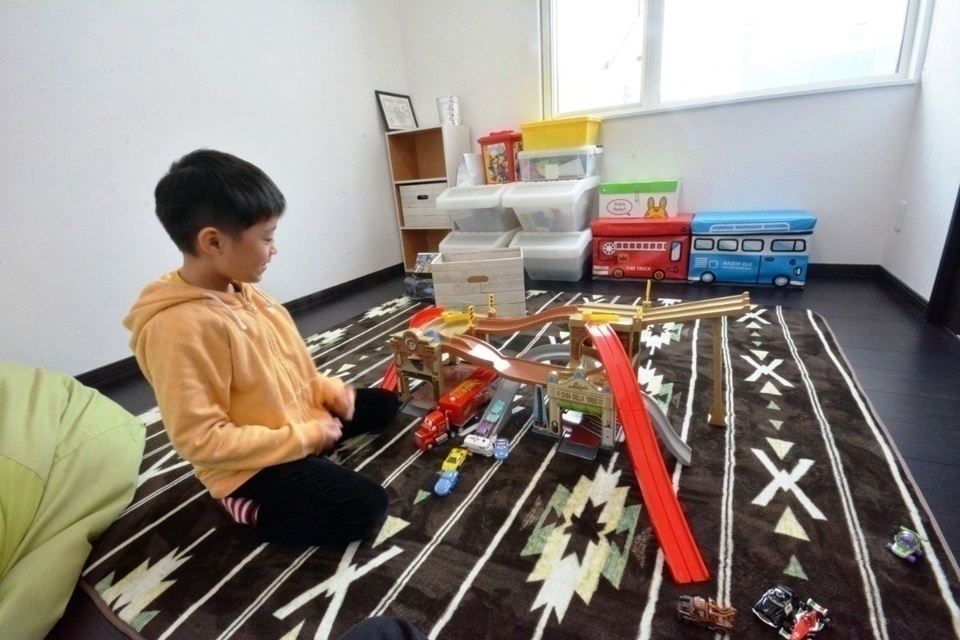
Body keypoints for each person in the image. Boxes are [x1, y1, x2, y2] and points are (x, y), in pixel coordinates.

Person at [124, 149, 398, 546]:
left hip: (285, 421)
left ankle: (313, 441)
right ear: (213, 242)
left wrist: (325, 391)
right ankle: (246, 506)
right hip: (247, 465)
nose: (274, 248)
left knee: (383, 404)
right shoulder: (177, 330)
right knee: (365, 508)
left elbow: (286, 367)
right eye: (267, 238)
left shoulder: (243, 291)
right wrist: (305, 437)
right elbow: (201, 440)